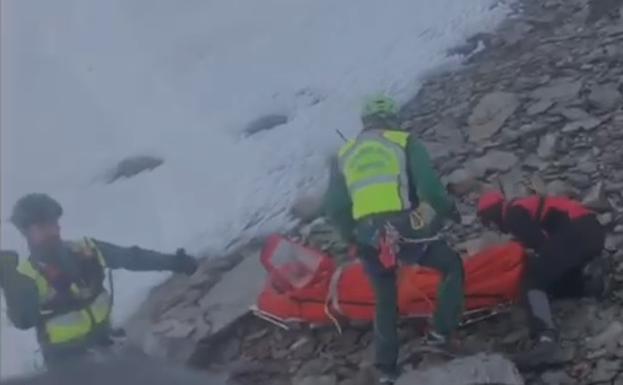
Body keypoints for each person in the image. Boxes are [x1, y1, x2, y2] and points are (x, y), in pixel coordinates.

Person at [322, 95, 464, 384]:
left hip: (368, 235)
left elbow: (335, 207)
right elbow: (431, 191)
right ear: (391, 118)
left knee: (384, 298)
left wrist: (351, 237)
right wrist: (451, 212)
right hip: (403, 229)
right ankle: (440, 332)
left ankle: (386, 367)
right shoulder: (404, 141)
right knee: (451, 266)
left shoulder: (344, 154)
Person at [0, 193, 199, 370]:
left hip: (106, 340)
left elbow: (132, 257)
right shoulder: (26, 275)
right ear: (26, 233)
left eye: (53, 222)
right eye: (42, 226)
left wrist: (175, 263)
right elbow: (23, 319)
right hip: (66, 360)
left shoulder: (85, 249)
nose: (52, 230)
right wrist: (9, 280)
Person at [476, 190, 607, 367]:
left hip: (575, 234)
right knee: (552, 281)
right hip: (592, 232)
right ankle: (589, 284)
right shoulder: (522, 205)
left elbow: (538, 242)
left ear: (493, 213)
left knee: (532, 280)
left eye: (487, 221)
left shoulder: (512, 214)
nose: (492, 226)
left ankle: (545, 337)